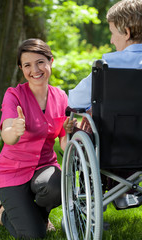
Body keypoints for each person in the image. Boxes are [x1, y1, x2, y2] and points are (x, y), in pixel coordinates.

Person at [0, 38, 75, 239]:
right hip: (13, 172)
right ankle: (4, 213)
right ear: (21, 68)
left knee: (57, 186)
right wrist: (15, 129)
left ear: (50, 61)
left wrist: (69, 134)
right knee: (33, 236)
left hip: (45, 168)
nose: (35, 70)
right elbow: (8, 136)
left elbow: (63, 141)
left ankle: (39, 216)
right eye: (27, 65)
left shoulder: (61, 97)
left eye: (40, 62)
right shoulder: (14, 95)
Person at [68, 0, 142, 209]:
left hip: (114, 148)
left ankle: (93, 192)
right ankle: (126, 188)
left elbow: (73, 101)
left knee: (86, 129)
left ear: (126, 33)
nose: (111, 40)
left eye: (112, 32)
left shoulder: (105, 69)